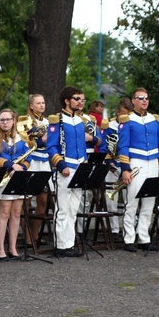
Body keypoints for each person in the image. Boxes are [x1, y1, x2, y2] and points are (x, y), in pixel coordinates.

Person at [117, 88, 159, 251]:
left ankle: (144, 238)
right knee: (132, 201)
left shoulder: (155, 120)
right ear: (133, 101)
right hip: (136, 163)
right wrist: (125, 169)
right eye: (141, 98)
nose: (144, 101)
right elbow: (123, 146)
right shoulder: (127, 120)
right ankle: (129, 239)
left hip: (153, 163)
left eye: (146, 98)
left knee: (149, 202)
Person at [47, 86, 96, 257]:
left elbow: (84, 145)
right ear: (67, 101)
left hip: (80, 167)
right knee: (62, 209)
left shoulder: (82, 120)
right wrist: (61, 165)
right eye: (77, 99)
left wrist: (86, 167)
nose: (80, 102)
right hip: (65, 169)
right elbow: (52, 147)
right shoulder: (57, 120)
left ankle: (69, 244)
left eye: (82, 99)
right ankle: (60, 245)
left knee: (74, 208)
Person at [0, 109, 30, 260]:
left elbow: (27, 158)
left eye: (8, 119)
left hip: (18, 177)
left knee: (16, 213)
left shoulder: (22, 138)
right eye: (2, 120)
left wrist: (22, 167)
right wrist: (11, 165)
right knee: (4, 213)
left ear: (14, 121)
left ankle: (13, 247)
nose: (5, 122)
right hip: (2, 178)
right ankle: (0, 249)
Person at [100, 97, 133, 239]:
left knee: (129, 197)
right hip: (113, 164)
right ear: (118, 113)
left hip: (128, 164)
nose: (127, 117)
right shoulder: (110, 126)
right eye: (124, 114)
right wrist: (109, 162)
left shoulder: (132, 124)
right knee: (111, 197)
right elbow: (103, 147)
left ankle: (129, 228)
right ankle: (113, 230)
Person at [24, 94, 51, 247]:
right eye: (38, 103)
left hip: (45, 161)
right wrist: (43, 140)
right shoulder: (25, 121)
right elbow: (27, 142)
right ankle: (26, 236)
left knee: (43, 200)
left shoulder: (48, 122)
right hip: (32, 161)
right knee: (26, 200)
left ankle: (35, 234)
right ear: (31, 106)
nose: (42, 105)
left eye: (43, 102)